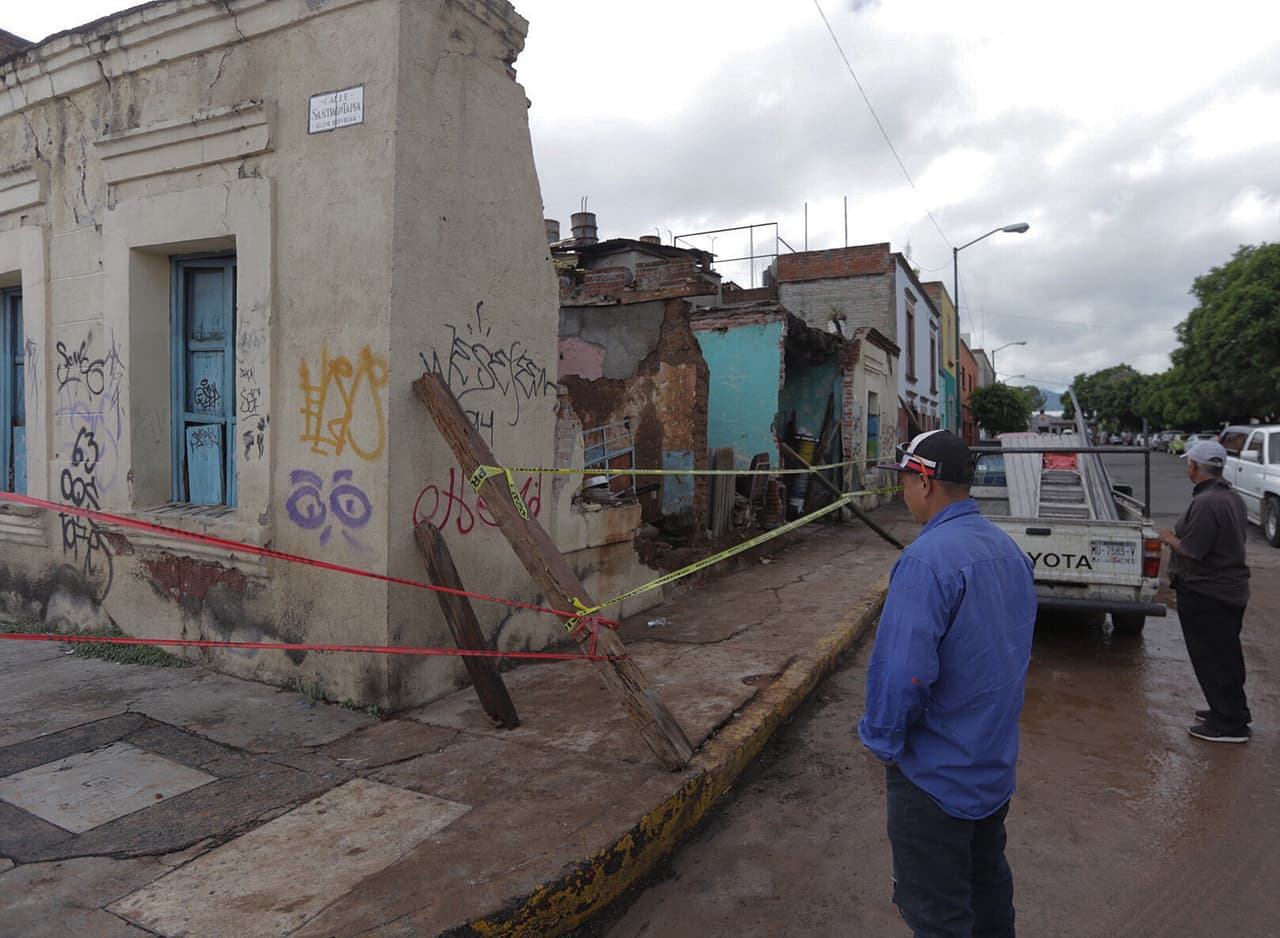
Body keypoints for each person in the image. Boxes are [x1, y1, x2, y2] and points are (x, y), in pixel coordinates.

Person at [859, 429, 1037, 938]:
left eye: (906, 481)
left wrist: (883, 741)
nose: (903, 492)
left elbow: (902, 675)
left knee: (939, 916)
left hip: (934, 779)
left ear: (925, 482)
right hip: (991, 769)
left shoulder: (926, 562)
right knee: (988, 897)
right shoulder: (1007, 551)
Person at [1158, 438, 1251, 743]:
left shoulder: (1208, 502)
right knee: (1225, 656)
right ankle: (1229, 711)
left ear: (1196, 466)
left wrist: (1168, 538)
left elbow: (1193, 550)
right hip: (1227, 590)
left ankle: (1228, 724)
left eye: (1189, 463)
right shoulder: (1231, 497)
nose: (1188, 467)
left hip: (1208, 593)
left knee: (1213, 658)